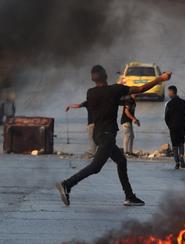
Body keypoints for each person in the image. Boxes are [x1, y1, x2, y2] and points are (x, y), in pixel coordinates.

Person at [56, 65, 172, 207]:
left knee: (121, 161)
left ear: (93, 78)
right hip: (106, 136)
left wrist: (124, 100)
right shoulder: (115, 89)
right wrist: (160, 78)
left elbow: (108, 102)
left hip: (97, 135)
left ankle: (129, 196)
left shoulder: (91, 92)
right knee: (95, 167)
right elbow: (141, 89)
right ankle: (67, 184)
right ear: (105, 75)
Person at [165, 86, 185, 169]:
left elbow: (166, 117)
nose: (168, 93)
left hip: (173, 127)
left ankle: (177, 162)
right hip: (182, 126)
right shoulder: (183, 102)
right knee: (181, 143)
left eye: (169, 92)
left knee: (175, 145)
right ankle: (181, 157)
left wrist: (170, 125)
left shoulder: (169, 104)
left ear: (172, 92)